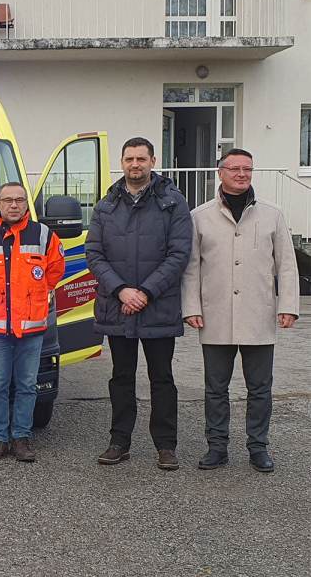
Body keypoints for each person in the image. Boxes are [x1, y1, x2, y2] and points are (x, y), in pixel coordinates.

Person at [182, 149, 299, 473]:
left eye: (247, 168)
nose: (242, 174)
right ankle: (217, 446)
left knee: (260, 388)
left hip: (258, 314)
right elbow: (191, 267)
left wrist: (288, 305)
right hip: (215, 314)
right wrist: (191, 307)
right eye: (234, 168)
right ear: (220, 173)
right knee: (215, 388)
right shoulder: (200, 216)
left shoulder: (272, 214)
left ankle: (258, 447)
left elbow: (286, 265)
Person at [85, 137, 192, 471]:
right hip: (118, 306)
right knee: (121, 377)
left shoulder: (173, 202)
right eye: (130, 159)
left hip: (156, 306)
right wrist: (121, 291)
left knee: (162, 378)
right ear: (122, 162)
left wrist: (144, 292)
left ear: (152, 161)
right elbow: (93, 254)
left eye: (141, 159)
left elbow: (179, 254)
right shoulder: (106, 205)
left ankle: (165, 446)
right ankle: (119, 441)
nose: (135, 164)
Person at [0, 181, 66, 462]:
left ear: (26, 205)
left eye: (19, 200)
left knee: (27, 385)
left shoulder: (44, 235)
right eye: (7, 200)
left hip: (31, 329)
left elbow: (55, 270)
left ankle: (21, 438)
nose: (13, 205)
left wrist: (39, 293)